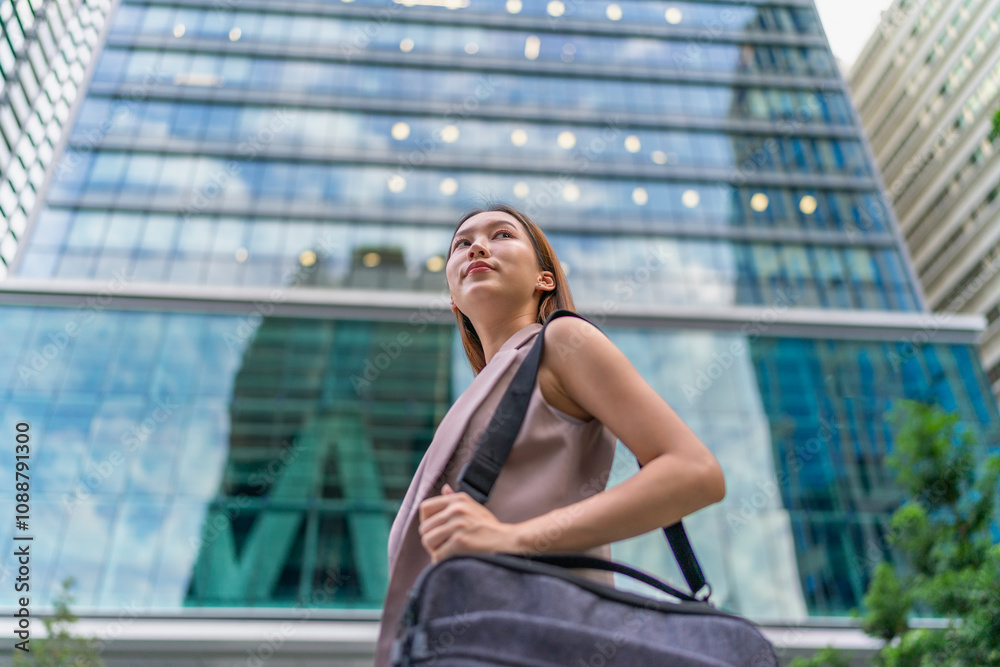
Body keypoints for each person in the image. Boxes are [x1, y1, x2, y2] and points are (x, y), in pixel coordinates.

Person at [373, 203, 726, 667]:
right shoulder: (473, 403)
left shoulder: (561, 343)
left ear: (545, 279)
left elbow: (695, 473)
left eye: (502, 235)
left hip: (549, 643)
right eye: (462, 243)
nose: (477, 245)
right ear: (453, 297)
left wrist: (513, 538)